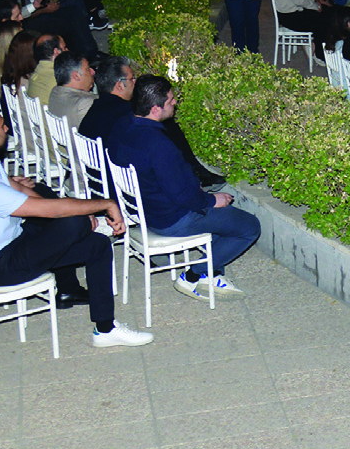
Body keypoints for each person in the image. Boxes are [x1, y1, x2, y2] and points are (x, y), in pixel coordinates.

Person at [0, 102, 153, 345]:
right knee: (71, 222)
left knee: (96, 245)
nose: (8, 130)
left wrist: (73, 211)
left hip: (8, 240)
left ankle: (105, 329)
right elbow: (49, 211)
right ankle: (91, 223)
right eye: (3, 126)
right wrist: (105, 204)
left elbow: (19, 189)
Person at [103, 76, 260, 301]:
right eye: (171, 100)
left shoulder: (121, 125)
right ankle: (193, 275)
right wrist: (211, 200)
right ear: (156, 109)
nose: (175, 102)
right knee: (248, 226)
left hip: (141, 209)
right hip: (169, 218)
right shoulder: (158, 144)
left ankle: (212, 273)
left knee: (222, 219)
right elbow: (182, 195)